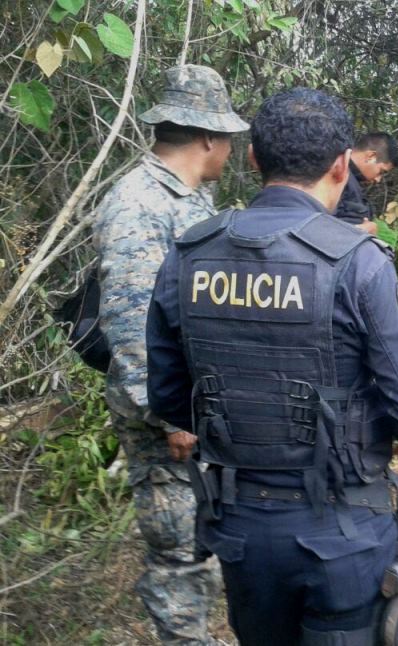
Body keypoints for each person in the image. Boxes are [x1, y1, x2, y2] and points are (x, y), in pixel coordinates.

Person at [146, 88, 398, 645]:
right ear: (339, 166)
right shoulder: (357, 261)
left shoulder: (188, 254)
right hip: (343, 532)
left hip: (240, 530)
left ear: (254, 158)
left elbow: (167, 397)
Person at [93, 64, 248, 645]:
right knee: (179, 553)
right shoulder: (139, 203)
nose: (231, 150)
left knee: (205, 540)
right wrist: (171, 416)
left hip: (198, 409)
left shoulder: (193, 200)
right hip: (167, 422)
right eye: (228, 138)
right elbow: (131, 324)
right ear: (208, 137)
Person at [335, 132, 398, 235]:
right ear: (371, 156)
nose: (378, 180)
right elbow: (316, 223)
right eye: (381, 172)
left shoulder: (350, 179)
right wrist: (360, 232)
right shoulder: (335, 174)